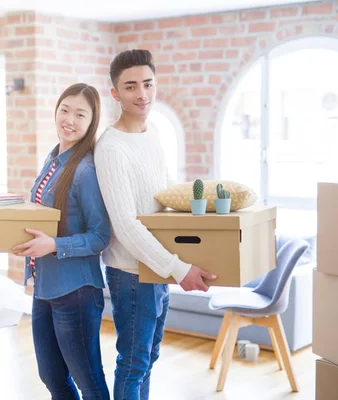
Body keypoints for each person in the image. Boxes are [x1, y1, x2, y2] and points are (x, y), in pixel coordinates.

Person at [94, 49, 217, 400]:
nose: (142, 94)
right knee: (134, 362)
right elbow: (125, 225)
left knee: (148, 358)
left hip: (157, 269)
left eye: (148, 84)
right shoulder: (112, 148)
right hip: (131, 273)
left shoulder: (154, 133)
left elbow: (164, 196)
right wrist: (179, 268)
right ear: (115, 93)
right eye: (131, 87)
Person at [12, 83, 111, 400]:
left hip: (77, 292)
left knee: (89, 382)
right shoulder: (53, 159)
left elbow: (101, 236)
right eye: (65, 110)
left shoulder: (85, 170)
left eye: (80, 114)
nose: (69, 119)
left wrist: (54, 245)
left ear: (91, 122)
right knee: (51, 376)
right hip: (45, 288)